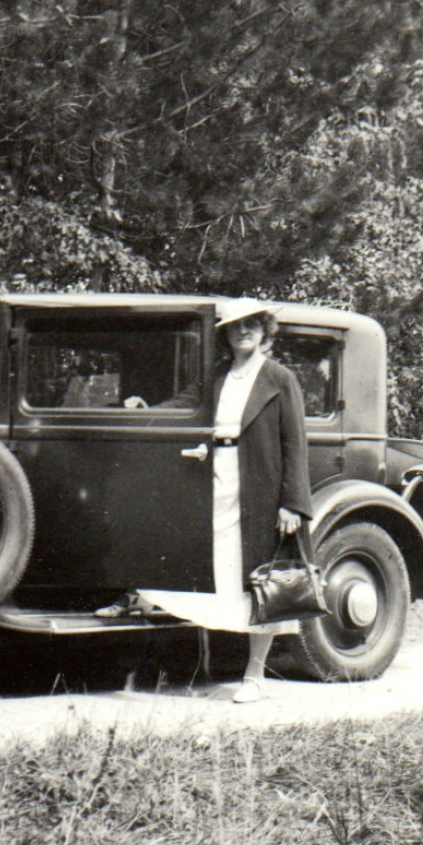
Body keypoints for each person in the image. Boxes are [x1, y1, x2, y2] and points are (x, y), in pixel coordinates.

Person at [99, 298, 312, 704]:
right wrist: (149, 410)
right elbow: (184, 406)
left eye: (252, 325)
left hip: (261, 486)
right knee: (219, 569)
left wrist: (293, 504)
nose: (243, 331)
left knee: (261, 581)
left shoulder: (280, 378)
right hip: (216, 479)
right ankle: (209, 663)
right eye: (235, 326)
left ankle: (254, 677)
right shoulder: (218, 375)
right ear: (226, 335)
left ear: (265, 330)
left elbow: (294, 443)